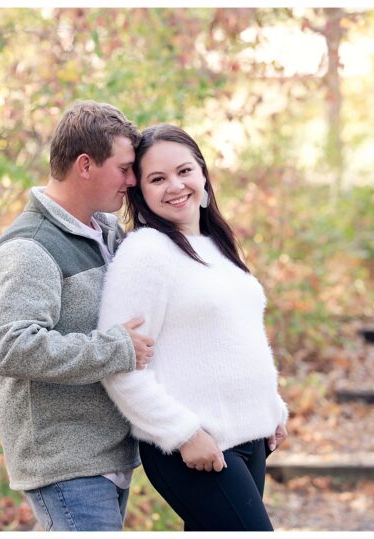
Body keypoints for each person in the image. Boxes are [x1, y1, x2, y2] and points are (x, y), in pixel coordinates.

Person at [97, 124, 289, 531]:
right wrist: (183, 434)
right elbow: (121, 364)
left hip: (249, 439)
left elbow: (237, 335)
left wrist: (271, 405)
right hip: (194, 447)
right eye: (157, 179)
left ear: (202, 172)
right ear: (141, 192)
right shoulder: (146, 253)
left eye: (184, 171)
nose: (175, 186)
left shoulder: (216, 245)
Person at [0, 101, 156, 531]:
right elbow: (13, 348)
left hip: (105, 452)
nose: (132, 181)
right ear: (85, 165)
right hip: (66, 462)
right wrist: (115, 349)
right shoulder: (29, 249)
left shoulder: (105, 231)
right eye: (124, 168)